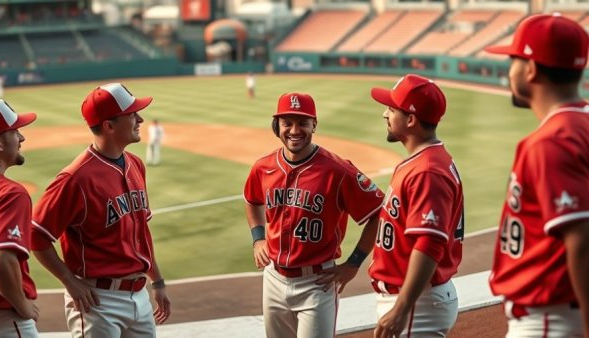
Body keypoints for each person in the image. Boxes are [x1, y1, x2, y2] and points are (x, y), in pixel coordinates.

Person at [324, 74, 464, 337]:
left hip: (416, 304)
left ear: (410, 120)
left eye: (391, 108)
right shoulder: (423, 161)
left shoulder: (427, 171)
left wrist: (401, 308)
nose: (385, 114)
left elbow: (429, 244)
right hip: (416, 301)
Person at [30, 83, 171, 337]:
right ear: (109, 125)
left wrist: (157, 281)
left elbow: (141, 233)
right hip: (98, 302)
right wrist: (69, 281)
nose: (140, 119)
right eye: (132, 114)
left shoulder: (136, 165)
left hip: (139, 295)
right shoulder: (75, 179)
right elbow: (36, 235)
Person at [243, 92, 385, 338]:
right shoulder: (263, 167)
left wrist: (353, 263)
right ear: (277, 126)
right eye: (287, 123)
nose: (294, 130)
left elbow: (379, 213)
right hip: (274, 278)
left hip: (317, 283)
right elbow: (251, 200)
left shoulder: (338, 170)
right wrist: (258, 238)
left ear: (314, 125)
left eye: (303, 123)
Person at [484, 13, 589, 337]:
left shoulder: (552, 140)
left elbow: (583, 241)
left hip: (550, 319)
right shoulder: (580, 126)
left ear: (530, 69)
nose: (509, 69)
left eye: (513, 59)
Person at [0, 99, 39, 337]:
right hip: (3, 323)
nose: (22, 138)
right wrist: (22, 305)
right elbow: (1, 263)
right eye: (15, 131)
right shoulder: (9, 192)